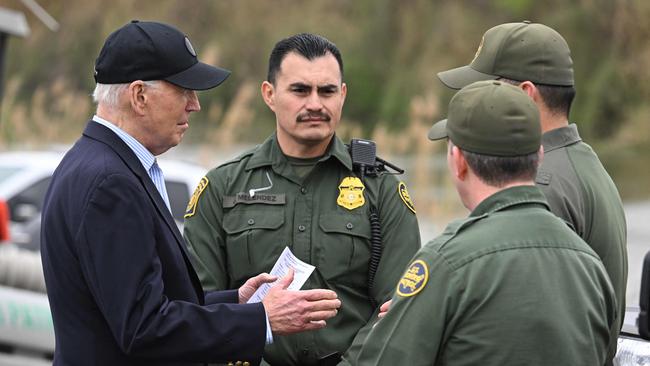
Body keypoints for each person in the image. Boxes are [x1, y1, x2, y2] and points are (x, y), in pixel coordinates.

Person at [40, 21, 340, 366]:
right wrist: (262, 319)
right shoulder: (111, 183)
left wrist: (235, 304)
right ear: (139, 96)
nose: (194, 105)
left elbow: (140, 304)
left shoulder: (93, 161)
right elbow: (144, 328)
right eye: (184, 90)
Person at [183, 33, 421, 365]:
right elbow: (199, 306)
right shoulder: (221, 188)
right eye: (299, 90)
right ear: (269, 94)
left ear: (343, 96)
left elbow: (400, 308)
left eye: (327, 91)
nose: (314, 104)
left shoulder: (381, 190)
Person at [350, 80, 618, 366]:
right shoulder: (590, 265)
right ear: (539, 156)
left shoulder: (446, 262)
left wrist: (402, 319)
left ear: (459, 160)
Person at [436, 22, 627, 361]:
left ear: (525, 95)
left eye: (487, 88)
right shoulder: (581, 162)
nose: (477, 100)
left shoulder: (538, 186)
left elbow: (523, 329)